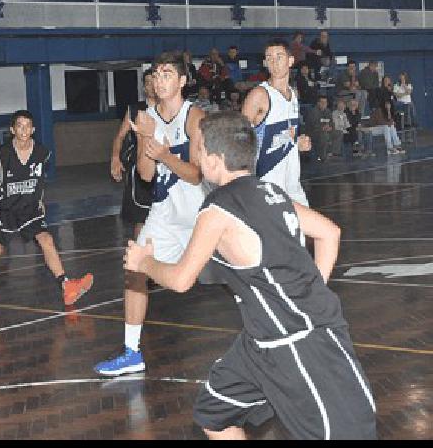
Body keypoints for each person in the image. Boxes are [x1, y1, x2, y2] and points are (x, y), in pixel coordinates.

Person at [123, 111, 377, 440]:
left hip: (301, 343)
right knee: (214, 414)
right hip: (258, 343)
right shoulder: (270, 192)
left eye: (198, 148)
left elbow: (181, 279)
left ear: (213, 161)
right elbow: (329, 232)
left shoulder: (216, 210)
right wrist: (311, 289)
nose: (194, 154)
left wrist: (144, 263)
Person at [94, 51, 206, 376]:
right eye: (156, 75)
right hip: (166, 211)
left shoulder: (193, 117)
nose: (159, 80)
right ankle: (131, 351)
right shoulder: (148, 117)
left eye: (167, 74)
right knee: (135, 268)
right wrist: (144, 135)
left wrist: (166, 155)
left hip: (202, 213)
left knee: (240, 275)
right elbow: (145, 174)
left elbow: (198, 174)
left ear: (183, 81)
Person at [0, 110, 94, 305]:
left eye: (27, 125)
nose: (24, 129)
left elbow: (39, 180)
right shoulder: (2, 153)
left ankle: (66, 286)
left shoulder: (41, 152)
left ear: (33, 129)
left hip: (28, 207)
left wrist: (39, 199)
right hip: (4, 208)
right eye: (19, 125)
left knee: (46, 239)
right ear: (12, 129)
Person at [242, 38, 311, 206]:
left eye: (279, 56)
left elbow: (283, 135)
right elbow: (238, 138)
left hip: (292, 186)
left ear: (291, 60)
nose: (274, 62)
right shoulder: (259, 95)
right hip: (267, 186)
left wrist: (297, 143)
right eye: (269, 58)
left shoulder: (293, 94)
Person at [111, 68, 156, 238]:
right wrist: (115, 158)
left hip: (164, 165)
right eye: (147, 83)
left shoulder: (170, 109)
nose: (151, 86)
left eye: (154, 81)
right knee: (142, 217)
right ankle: (139, 257)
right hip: (140, 166)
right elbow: (120, 136)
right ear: (144, 87)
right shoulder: (135, 110)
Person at [305, 97, 333, 162]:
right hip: (312, 132)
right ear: (318, 103)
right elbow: (313, 125)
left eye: (325, 102)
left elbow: (331, 122)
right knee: (324, 135)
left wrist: (330, 127)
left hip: (325, 130)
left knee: (338, 132)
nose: (324, 104)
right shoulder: (313, 112)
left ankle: (333, 153)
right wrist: (323, 128)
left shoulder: (328, 111)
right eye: (322, 102)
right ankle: (322, 157)